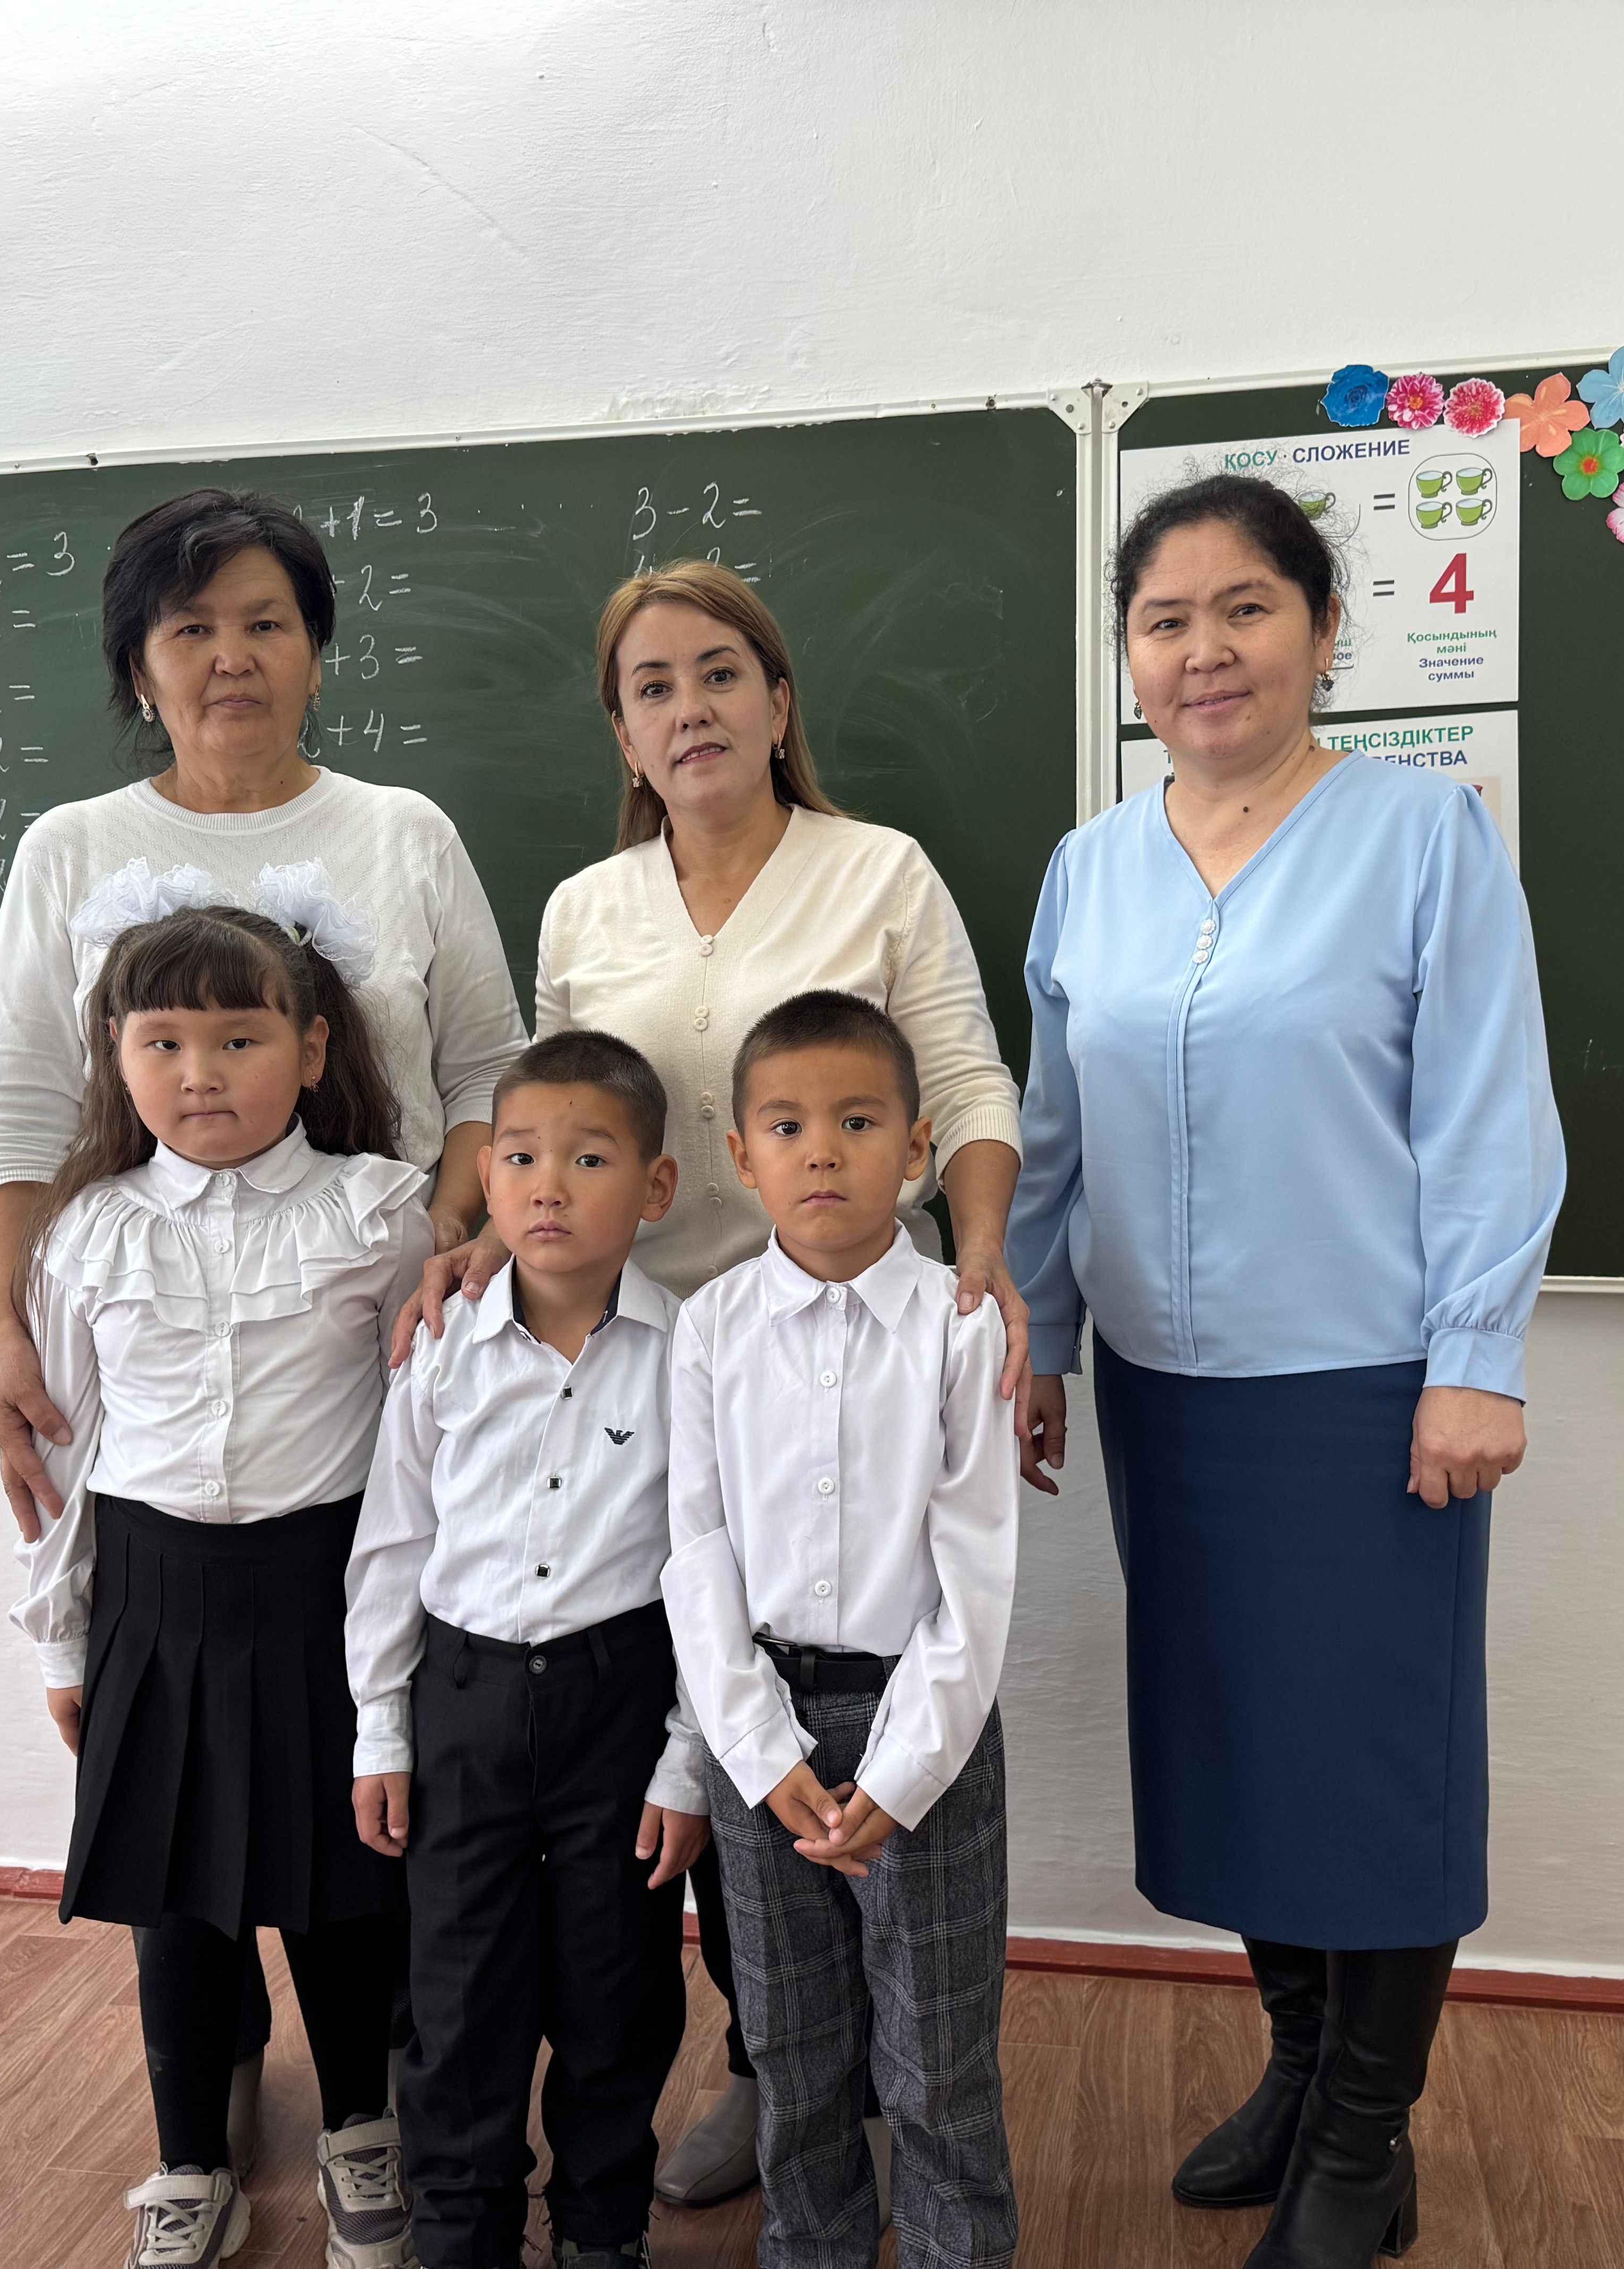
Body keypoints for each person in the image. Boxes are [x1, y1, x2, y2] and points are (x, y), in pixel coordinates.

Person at [399, 560, 1027, 2206]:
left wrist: (980, 1265)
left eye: (722, 672)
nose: (692, 708)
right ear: (622, 730)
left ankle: (882, 2086)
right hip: (645, 1357)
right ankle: (772, 2063)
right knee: (686, 1721)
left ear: (779, 698)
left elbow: (966, 1081)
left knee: (835, 1688)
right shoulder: (586, 909)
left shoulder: (877, 871)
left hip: (854, 1352)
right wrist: (475, 1238)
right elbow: (553, 1111)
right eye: (654, 685)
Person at [1009, 474, 1565, 2269]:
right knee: (1239, 1747)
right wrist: (1038, 1332)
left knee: (1373, 1764)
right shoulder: (1091, 868)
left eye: (1245, 608)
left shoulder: (1420, 834)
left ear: (1323, 632)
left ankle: (1362, 2143)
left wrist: (1476, 1359)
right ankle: (1305, 2060)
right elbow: (1052, 1134)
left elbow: (1486, 1106)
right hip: (1167, 1390)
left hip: (1365, 1386)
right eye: (1164, 620)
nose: (1205, 650)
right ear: (1128, 657)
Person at [10, 878, 434, 2269]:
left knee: (345, 1880)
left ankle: (362, 2127)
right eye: (165, 1042)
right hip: (152, 1593)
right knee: (176, 1893)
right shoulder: (88, 1229)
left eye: (240, 1039)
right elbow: (62, 1454)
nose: (201, 1073)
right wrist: (61, 1636)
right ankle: (190, 2158)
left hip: (326, 1585)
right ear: (118, 1055)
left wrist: (405, 1644)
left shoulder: (382, 1212)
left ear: (311, 1049)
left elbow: (418, 1439)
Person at [0, 487, 526, 1540]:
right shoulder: (70, 851)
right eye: (192, 631)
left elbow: (489, 1074)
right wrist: (3, 1329)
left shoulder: (405, 834)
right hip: (152, 1380)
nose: (233, 658)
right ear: (140, 673)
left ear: (315, 658)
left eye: (267, 624)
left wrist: (446, 1235)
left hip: (396, 1337)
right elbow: (20, 1107)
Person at [664, 990, 1020, 2269]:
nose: (822, 1152)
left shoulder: (961, 1327)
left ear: (917, 1148)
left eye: (858, 1123)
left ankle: (955, 2249)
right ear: (741, 1155)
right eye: (788, 1127)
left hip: (919, 1724)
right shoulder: (709, 1329)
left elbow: (975, 1570)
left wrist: (905, 1769)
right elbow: (696, 1553)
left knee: (937, 2049)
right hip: (761, 1732)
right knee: (793, 2042)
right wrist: (758, 1751)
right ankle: (809, 2246)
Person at [343, 1029, 711, 2269]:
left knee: (619, 1991)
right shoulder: (441, 1344)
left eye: (589, 1158)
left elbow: (710, 1571)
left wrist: (686, 1762)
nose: (549, 1186)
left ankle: (603, 2231)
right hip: (464, 1701)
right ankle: (462, 2231)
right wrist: (381, 1730)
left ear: (655, 1187)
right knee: (457, 1995)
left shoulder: (690, 1357)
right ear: (487, 1181)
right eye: (519, 1158)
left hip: (622, 1704)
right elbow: (393, 1545)